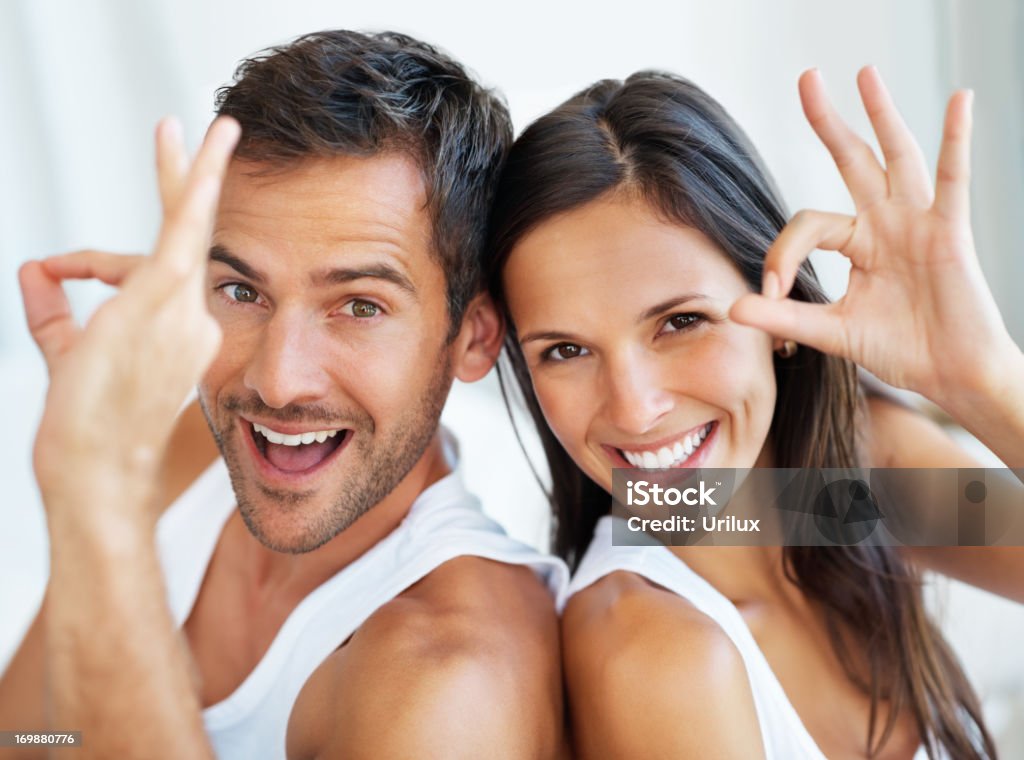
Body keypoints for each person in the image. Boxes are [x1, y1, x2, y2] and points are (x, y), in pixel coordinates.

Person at [2, 31, 568, 759]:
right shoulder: (197, 456)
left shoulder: (451, 680)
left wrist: (98, 503)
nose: (275, 381)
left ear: (473, 338)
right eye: (242, 291)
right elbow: (29, 732)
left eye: (359, 306)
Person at [484, 66, 1024, 758]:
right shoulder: (654, 649)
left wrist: (986, 377)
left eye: (680, 322)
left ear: (779, 310)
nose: (636, 408)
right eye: (565, 350)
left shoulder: (852, 486)